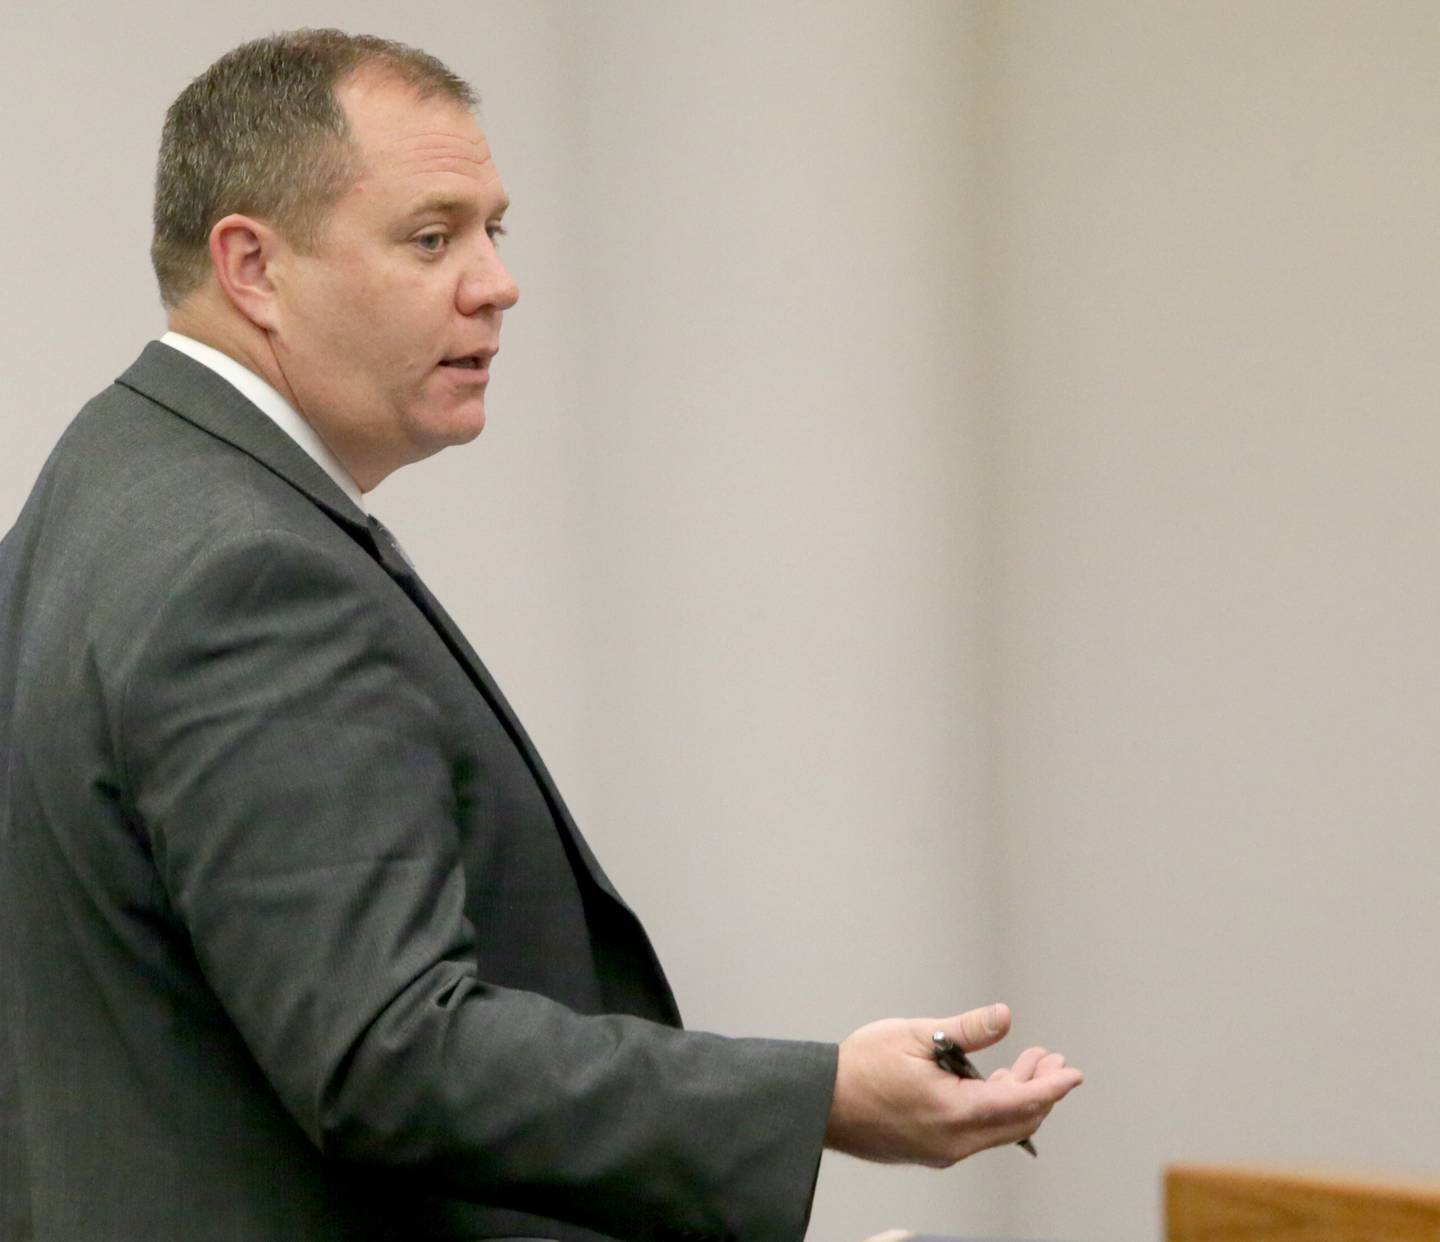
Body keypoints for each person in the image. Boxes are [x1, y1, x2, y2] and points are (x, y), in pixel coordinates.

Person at [0, 29, 1083, 1242]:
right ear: (252, 266)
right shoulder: (247, 570)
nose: (494, 282)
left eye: (492, 231)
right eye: (431, 237)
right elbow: (386, 1056)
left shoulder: (104, 485)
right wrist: (818, 1097)